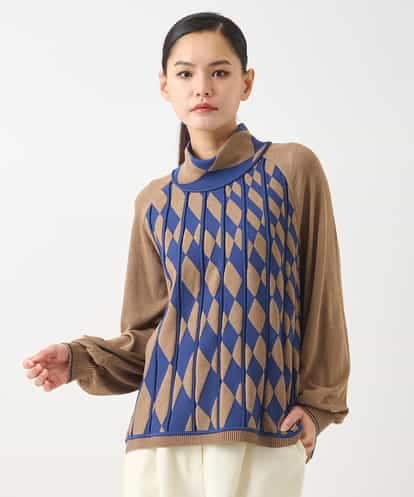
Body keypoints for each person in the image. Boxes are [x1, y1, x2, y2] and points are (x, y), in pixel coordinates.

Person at [22, 11, 351, 497]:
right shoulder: (154, 203)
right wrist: (79, 359)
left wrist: (319, 406)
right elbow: (146, 336)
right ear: (165, 86)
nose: (202, 87)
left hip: (263, 430)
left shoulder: (291, 170)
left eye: (219, 72)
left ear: (246, 82)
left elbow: (322, 299)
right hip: (161, 440)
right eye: (185, 74)